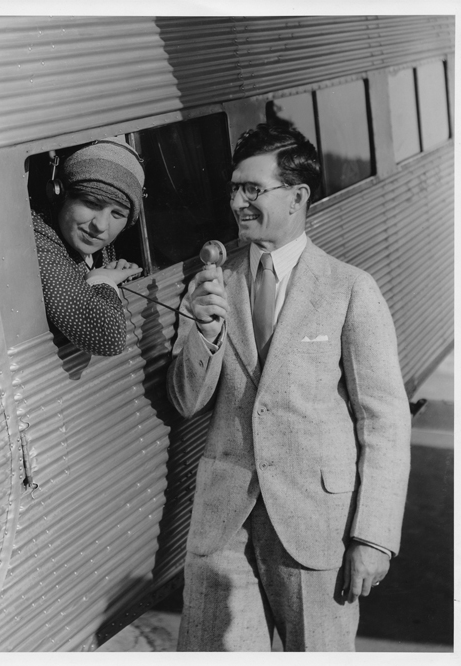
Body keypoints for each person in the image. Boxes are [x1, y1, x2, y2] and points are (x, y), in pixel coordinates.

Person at [167, 123, 410, 651]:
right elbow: (187, 399)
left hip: (316, 528)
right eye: (234, 189)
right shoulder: (213, 280)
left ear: (298, 196)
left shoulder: (350, 289)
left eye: (252, 189)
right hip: (223, 527)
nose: (237, 202)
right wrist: (204, 331)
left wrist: (374, 537)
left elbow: (385, 421)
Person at [32, 141, 144, 356]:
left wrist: (111, 277)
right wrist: (102, 280)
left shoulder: (84, 236)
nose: (101, 226)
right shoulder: (38, 240)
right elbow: (108, 339)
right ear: (60, 194)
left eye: (117, 214)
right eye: (92, 203)